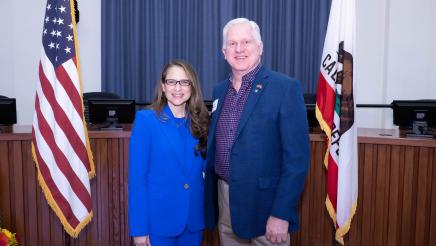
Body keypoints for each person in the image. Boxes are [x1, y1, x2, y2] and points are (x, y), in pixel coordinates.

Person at [204, 18, 310, 245]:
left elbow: (297, 160)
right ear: (224, 52)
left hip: (266, 205)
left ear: (260, 48)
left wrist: (281, 213)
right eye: (232, 44)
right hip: (225, 198)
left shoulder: (285, 88)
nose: (239, 49)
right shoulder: (219, 91)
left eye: (246, 42)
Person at [129, 60, 210, 246]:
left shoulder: (202, 122)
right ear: (163, 86)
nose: (178, 88)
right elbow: (137, 180)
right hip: (158, 222)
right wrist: (139, 228)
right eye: (172, 82)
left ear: (192, 87)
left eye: (184, 82)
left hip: (193, 220)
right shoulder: (146, 120)